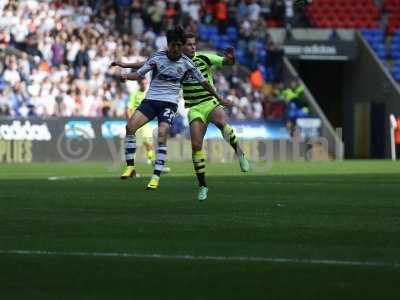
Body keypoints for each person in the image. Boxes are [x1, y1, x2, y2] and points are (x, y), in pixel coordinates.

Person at [112, 32, 250, 201]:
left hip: (207, 101)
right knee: (196, 146)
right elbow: (148, 64)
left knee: (221, 122)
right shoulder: (171, 57)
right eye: (189, 44)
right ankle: (203, 186)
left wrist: (230, 61)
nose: (192, 47)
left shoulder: (202, 59)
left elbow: (223, 64)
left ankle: (239, 152)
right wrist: (125, 66)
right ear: (182, 46)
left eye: (194, 44)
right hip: (192, 107)